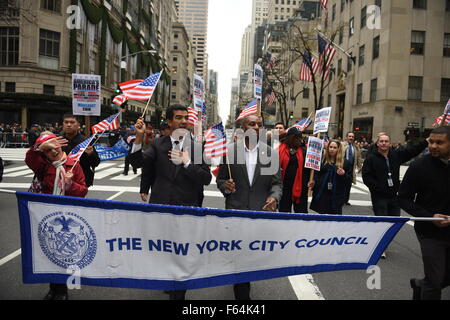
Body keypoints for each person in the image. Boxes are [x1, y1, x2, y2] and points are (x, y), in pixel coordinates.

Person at [130, 105, 212, 300]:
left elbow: (206, 178)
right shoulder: (158, 145)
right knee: (165, 253)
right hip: (162, 209)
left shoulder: (197, 147)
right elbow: (138, 163)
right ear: (169, 122)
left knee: (182, 256)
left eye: (185, 118)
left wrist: (187, 162)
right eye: (178, 117)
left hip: (187, 209)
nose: (183, 121)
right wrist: (139, 138)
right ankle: (169, 281)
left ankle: (178, 294)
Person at [216, 114, 282, 300]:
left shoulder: (270, 154)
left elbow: (277, 184)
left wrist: (274, 197)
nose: (256, 127)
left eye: (260, 125)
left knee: (251, 256)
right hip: (236, 211)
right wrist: (225, 186)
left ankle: (243, 281)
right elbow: (221, 179)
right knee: (239, 255)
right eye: (252, 124)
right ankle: (242, 294)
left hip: (259, 212)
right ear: (242, 128)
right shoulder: (229, 152)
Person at [25, 132, 88, 300]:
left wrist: (70, 184)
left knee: (64, 255)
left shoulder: (73, 165)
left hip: (68, 219)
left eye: (55, 147)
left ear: (61, 145)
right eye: (48, 150)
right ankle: (53, 288)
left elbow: (83, 191)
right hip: (47, 217)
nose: (53, 152)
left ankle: (62, 291)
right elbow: (29, 159)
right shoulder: (43, 166)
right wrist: (38, 148)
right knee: (50, 254)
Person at [398, 126, 450, 300]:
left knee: (443, 278)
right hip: (429, 232)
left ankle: (421, 286)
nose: (434, 146)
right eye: (431, 142)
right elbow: (403, 198)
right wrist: (430, 217)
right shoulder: (419, 165)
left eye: (439, 142)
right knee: (434, 281)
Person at [362, 132, 428, 217]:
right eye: (381, 141)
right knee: (382, 222)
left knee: (395, 220)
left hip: (394, 196)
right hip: (379, 197)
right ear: (377, 143)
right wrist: (378, 188)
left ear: (390, 143)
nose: (384, 143)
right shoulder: (371, 158)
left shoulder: (396, 155)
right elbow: (366, 177)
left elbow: (412, 150)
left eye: (386, 141)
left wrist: (426, 142)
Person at [278, 127, 314, 213]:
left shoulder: (305, 151)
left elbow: (311, 168)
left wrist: (312, 179)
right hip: (284, 187)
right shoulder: (280, 150)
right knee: (284, 212)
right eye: (297, 137)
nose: (299, 139)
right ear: (290, 138)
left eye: (300, 137)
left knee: (301, 214)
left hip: (300, 187)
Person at [310, 140, 350, 215]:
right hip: (323, 194)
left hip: (336, 195)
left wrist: (343, 174)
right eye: (330, 147)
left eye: (335, 147)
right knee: (323, 217)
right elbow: (316, 175)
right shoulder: (322, 160)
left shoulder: (345, 163)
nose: (332, 149)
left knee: (334, 218)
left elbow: (348, 180)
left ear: (339, 149)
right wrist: (313, 182)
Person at [60, 114, 100, 188]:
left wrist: (91, 154)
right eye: (66, 122)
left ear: (78, 125)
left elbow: (96, 163)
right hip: (59, 180)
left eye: (72, 122)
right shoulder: (57, 141)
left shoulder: (85, 142)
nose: (68, 125)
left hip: (80, 182)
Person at [342, 132, 363, 205]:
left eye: (352, 137)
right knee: (341, 184)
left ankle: (345, 200)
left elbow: (359, 157)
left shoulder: (356, 147)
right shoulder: (342, 145)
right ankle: (340, 199)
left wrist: (360, 166)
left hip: (351, 169)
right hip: (342, 167)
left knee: (348, 185)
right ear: (346, 137)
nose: (351, 138)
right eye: (349, 136)